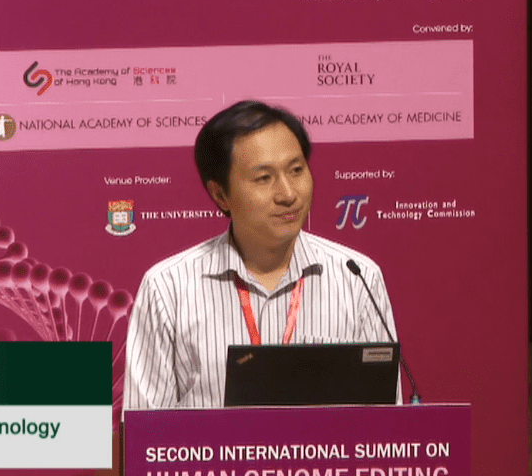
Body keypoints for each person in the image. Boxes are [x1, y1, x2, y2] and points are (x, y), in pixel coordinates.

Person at [124, 100, 400, 409]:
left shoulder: (357, 277)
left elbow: (387, 421)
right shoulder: (168, 287)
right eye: (264, 178)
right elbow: (144, 429)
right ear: (220, 194)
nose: (288, 194)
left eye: (296, 170)